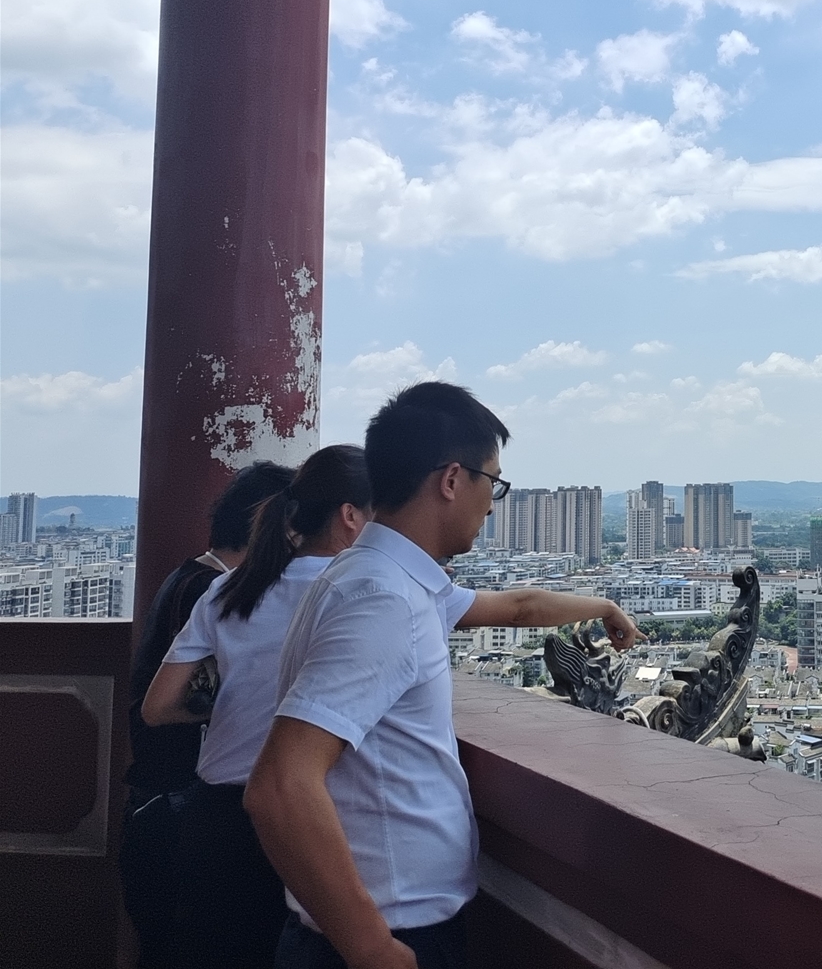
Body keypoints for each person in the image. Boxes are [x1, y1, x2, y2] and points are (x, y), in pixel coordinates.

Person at [246, 382, 641, 969]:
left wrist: (604, 607)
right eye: (493, 483)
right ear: (453, 480)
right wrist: (372, 949)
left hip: (383, 924)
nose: (492, 505)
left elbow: (519, 607)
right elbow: (281, 785)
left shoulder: (384, 578)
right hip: (384, 932)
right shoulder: (384, 601)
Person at [142, 445, 373, 969]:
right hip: (309, 815)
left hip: (215, 815)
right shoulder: (363, 591)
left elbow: (158, 707)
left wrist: (233, 705)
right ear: (351, 516)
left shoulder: (226, 588)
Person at [123, 460, 293, 969]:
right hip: (182, 808)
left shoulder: (193, 579)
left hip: (160, 808)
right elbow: (177, 704)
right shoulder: (215, 592)